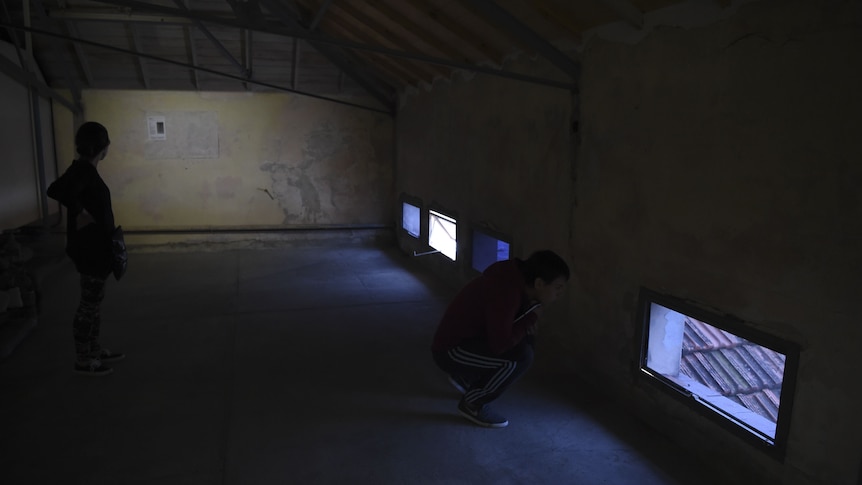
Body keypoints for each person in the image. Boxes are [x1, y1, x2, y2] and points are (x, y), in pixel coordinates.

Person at [431, 250, 569, 428]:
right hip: (450, 351)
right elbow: (500, 345)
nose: (559, 294)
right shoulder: (507, 291)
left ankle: (465, 378)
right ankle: (473, 404)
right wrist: (531, 318)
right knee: (520, 358)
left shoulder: (515, 279)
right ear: (539, 283)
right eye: (557, 288)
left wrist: (527, 321)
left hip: (467, 341)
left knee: (525, 342)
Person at [47, 121, 125, 376]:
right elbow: (55, 190)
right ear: (104, 148)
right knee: (88, 306)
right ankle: (83, 360)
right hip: (90, 251)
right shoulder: (83, 170)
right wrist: (80, 212)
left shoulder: (84, 170)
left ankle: (93, 349)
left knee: (94, 303)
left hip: (96, 249)